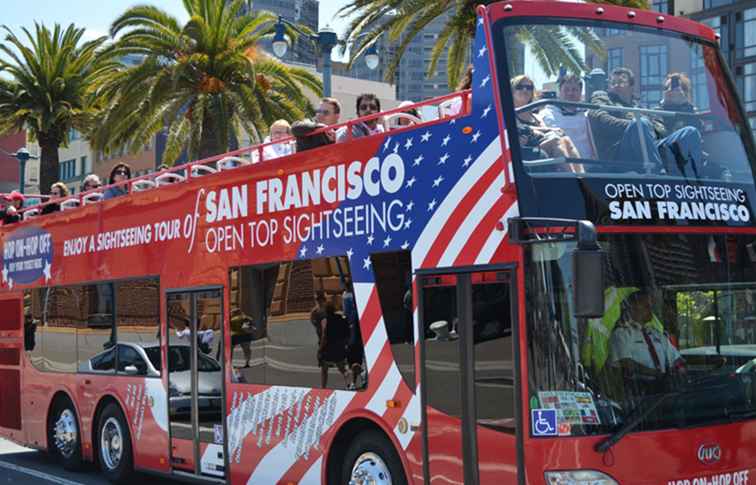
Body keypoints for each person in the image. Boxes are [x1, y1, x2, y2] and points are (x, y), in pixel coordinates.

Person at [607, 289, 685, 395]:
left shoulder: (656, 334)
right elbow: (626, 364)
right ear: (632, 308)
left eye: (651, 306)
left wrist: (679, 370)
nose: (650, 310)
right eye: (646, 306)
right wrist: (655, 373)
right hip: (638, 391)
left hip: (663, 388)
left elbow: (676, 358)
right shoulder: (622, 333)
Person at [512, 75, 580, 161]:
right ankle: (570, 174)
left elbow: (545, 132)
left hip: (539, 147)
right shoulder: (510, 114)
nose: (525, 90)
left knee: (565, 140)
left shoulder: (536, 117)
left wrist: (552, 131)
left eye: (529, 87)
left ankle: (580, 174)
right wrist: (552, 129)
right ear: (512, 91)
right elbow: (524, 128)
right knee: (555, 141)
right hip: (526, 151)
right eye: (520, 87)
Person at [540, 73, 595, 159]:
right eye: (566, 90)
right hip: (559, 166)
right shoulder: (546, 114)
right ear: (559, 92)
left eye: (574, 90)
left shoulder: (588, 115)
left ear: (580, 93)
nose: (570, 93)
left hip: (589, 166)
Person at [319, 300, 350, 389]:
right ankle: (348, 382)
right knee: (341, 366)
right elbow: (347, 333)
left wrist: (320, 349)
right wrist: (345, 344)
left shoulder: (325, 321)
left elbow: (324, 336)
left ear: (325, 311)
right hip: (340, 346)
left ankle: (323, 387)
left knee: (324, 369)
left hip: (329, 348)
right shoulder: (341, 318)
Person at [343, 277, 365, 389]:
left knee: (352, 361)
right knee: (356, 360)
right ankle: (359, 378)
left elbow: (346, 312)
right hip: (357, 328)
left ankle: (353, 382)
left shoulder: (346, 296)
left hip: (351, 329)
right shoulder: (355, 295)